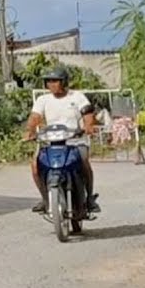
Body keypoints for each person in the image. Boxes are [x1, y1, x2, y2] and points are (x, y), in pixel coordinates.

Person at [23, 66, 99, 214]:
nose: (51, 84)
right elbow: (34, 118)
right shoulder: (43, 100)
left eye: (55, 81)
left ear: (64, 82)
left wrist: (88, 126)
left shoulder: (77, 97)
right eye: (49, 81)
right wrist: (30, 131)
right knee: (35, 166)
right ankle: (46, 199)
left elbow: (88, 115)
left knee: (83, 162)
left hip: (75, 141)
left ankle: (89, 198)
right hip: (51, 142)